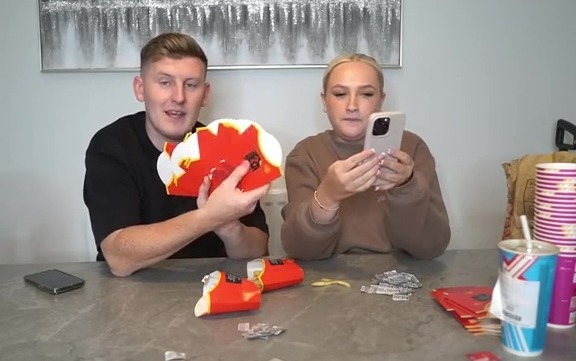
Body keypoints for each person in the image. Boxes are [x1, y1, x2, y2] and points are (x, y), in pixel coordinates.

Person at [83, 33, 270, 277]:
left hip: (212, 290)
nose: (179, 97)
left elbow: (258, 248)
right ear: (140, 89)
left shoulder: (223, 147)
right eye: (165, 82)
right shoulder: (111, 146)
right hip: (130, 296)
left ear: (204, 94)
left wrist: (230, 228)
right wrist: (209, 217)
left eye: (191, 85)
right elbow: (119, 256)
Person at [281, 53, 450, 260]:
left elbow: (432, 246)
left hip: (403, 276)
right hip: (330, 280)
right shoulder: (305, 155)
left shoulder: (411, 149)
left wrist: (406, 186)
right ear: (324, 101)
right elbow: (301, 251)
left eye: (367, 94)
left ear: (381, 101)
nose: (352, 106)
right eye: (340, 94)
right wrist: (327, 195)